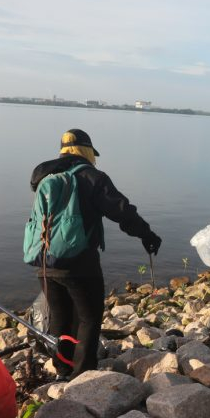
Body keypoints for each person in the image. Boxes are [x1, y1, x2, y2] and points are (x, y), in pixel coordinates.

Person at [30, 129, 161, 377]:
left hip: (45, 263)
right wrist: (147, 235)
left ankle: (62, 368)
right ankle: (83, 375)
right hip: (80, 265)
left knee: (60, 317)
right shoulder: (92, 177)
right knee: (88, 319)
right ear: (86, 151)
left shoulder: (46, 178)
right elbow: (122, 211)